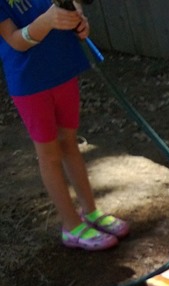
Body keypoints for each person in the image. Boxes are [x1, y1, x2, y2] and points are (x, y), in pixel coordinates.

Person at [0, 0, 127, 251]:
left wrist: (77, 17)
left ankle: (90, 211)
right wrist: (47, 21)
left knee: (69, 142)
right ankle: (71, 226)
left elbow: (71, 4)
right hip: (30, 83)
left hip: (62, 71)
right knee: (49, 154)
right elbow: (15, 40)